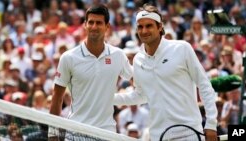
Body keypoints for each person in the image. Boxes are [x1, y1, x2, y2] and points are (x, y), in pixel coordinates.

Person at [114, 4, 218, 141]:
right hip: (159, 137)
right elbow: (142, 95)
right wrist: (108, 98)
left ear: (160, 27)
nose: (144, 30)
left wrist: (211, 124)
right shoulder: (138, 59)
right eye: (140, 26)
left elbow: (204, 85)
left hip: (190, 133)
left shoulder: (182, 48)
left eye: (149, 26)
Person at [49, 3, 132, 134]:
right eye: (91, 22)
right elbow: (57, 97)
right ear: (85, 25)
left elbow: (137, 83)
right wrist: (52, 133)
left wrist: (118, 98)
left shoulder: (118, 55)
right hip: (76, 132)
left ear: (107, 27)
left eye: (99, 23)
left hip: (106, 133)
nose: (94, 27)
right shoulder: (68, 57)